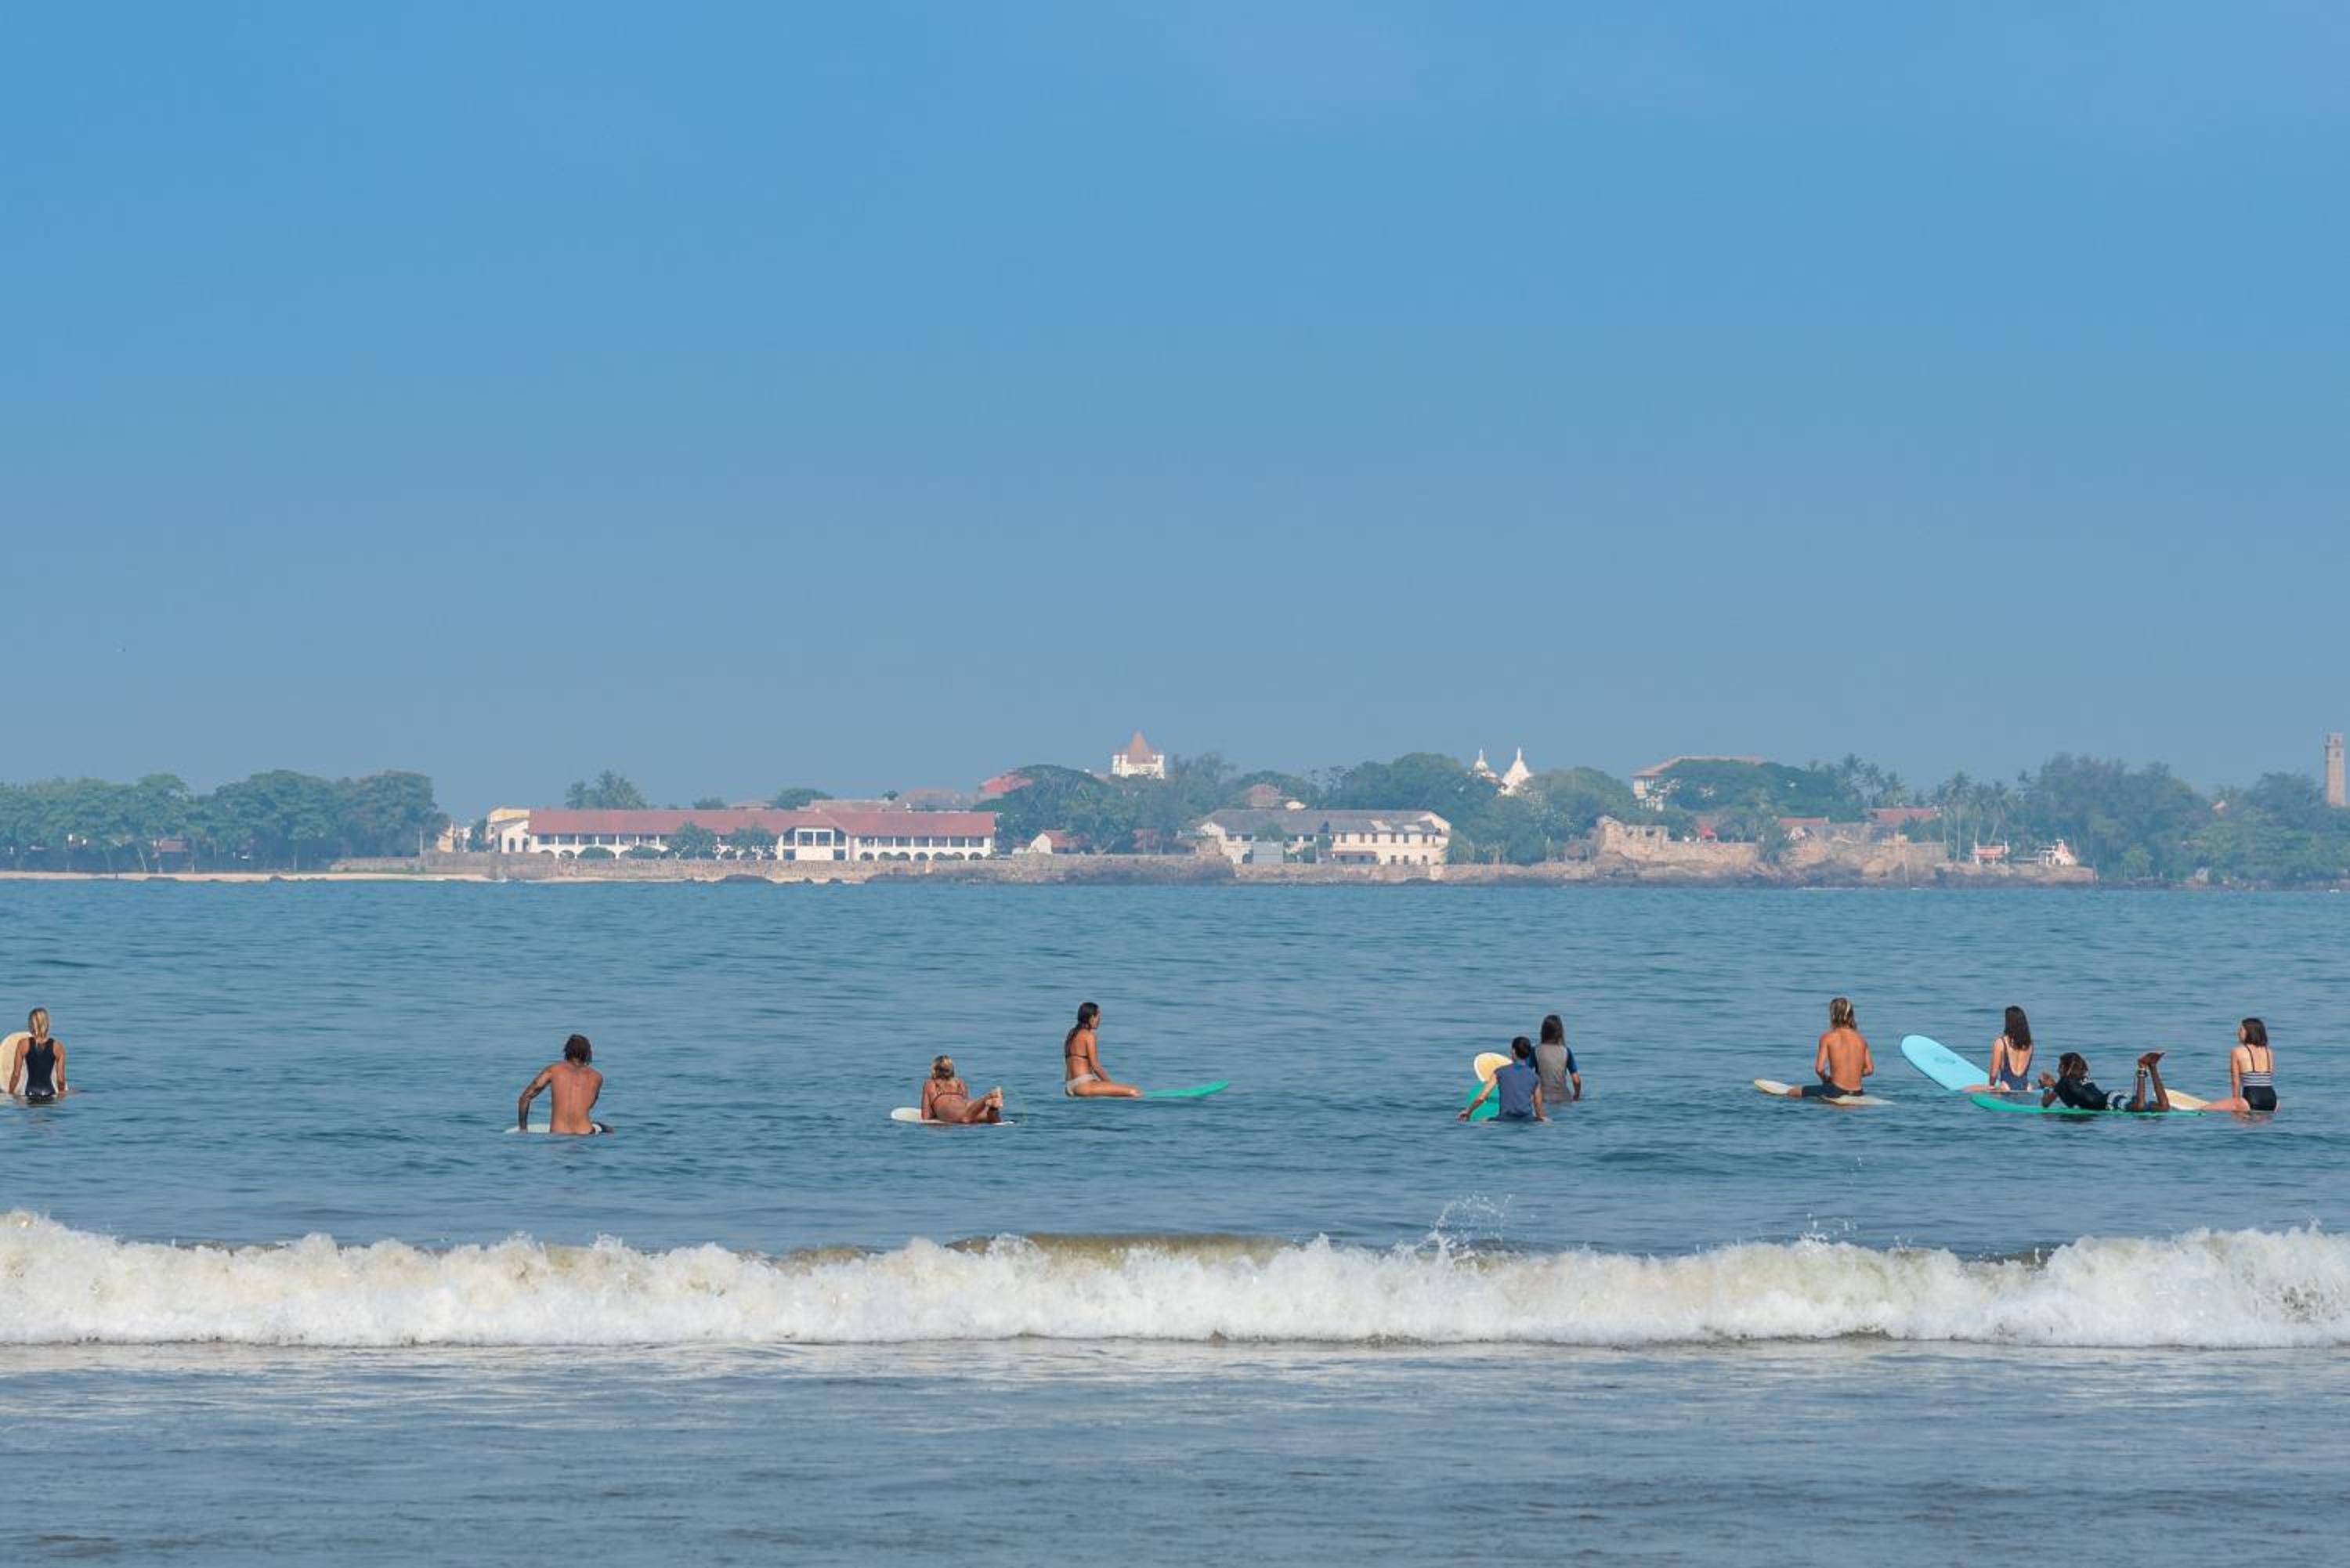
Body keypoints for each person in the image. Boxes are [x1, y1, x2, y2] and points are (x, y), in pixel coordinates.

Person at [1764, 996, 1874, 1100]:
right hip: (1858, 1092)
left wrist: (1826, 1079)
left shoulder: (1828, 1037)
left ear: (1833, 1015)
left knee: (1792, 1092)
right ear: (1851, 1015)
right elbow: (1870, 1070)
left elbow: (1819, 1069)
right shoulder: (1861, 1039)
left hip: (1836, 1091)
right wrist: (1852, 1075)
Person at [517, 1033, 610, 1134]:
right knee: (608, 1129)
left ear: (566, 1051)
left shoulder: (553, 1071)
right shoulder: (597, 1077)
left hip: (558, 1135)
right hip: (586, 1134)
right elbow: (590, 1105)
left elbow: (524, 1098)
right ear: (588, 1053)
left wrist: (523, 1129)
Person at [2039, 1050, 2171, 1113]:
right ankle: (2153, 1066)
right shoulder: (2082, 1077)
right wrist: (2054, 1085)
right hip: (2115, 1097)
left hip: (2110, 1103)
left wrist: (2046, 1088)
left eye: (2060, 1065)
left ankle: (2142, 1066)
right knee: (2164, 1107)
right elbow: (2074, 1091)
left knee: (2140, 1107)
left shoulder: (2064, 1081)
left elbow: (2045, 1104)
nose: (2057, 1069)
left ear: (2065, 1068)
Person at [2196, 1018, 2278, 1115]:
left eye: (2241, 1030)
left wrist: (2236, 1104)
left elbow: (2236, 1082)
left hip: (2250, 1100)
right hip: (2273, 1101)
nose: (2238, 1033)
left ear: (2250, 1032)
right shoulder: (2269, 1052)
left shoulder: (2237, 1051)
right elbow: (2269, 1077)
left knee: (2201, 1110)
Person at [1063, 1002, 1141, 1098]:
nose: (1100, 1020)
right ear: (1092, 1018)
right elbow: (1095, 1066)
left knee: (1125, 1090)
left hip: (1069, 1086)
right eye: (1098, 1017)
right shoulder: (1089, 1036)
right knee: (1134, 1091)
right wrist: (1110, 1085)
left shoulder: (1071, 1034)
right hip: (1083, 1084)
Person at [1459, 1036, 1546, 1122]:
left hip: (1505, 1119)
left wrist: (1468, 1112)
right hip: (1527, 1120)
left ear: (1513, 1051)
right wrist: (1540, 1118)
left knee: (1484, 1120)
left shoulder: (1500, 1072)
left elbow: (1481, 1098)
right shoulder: (1535, 1077)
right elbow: (1538, 1106)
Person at [5, 1009, 67, 1104]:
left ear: (31, 1024)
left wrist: (10, 1093)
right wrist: (61, 1096)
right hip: (49, 1093)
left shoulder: (23, 1044)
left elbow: (16, 1075)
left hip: (30, 1093)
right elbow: (61, 1079)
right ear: (47, 1024)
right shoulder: (58, 1046)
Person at [920, 1055, 1005, 1124]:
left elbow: (926, 1116)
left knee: (965, 1119)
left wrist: (937, 1113)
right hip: (969, 1105)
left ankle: (988, 1097)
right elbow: (965, 1102)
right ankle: (992, 1108)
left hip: (950, 1108)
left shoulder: (930, 1083)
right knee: (993, 1121)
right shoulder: (959, 1082)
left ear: (935, 1070)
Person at [1982, 1006, 2036, 1092]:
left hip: (2006, 1087)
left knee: (1968, 1089)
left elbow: (1993, 1074)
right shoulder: (2030, 1044)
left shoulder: (2000, 1043)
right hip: (2026, 1088)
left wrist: (1991, 1088)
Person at [1533, 1013, 1581, 1106]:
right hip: (1564, 1098)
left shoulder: (1535, 1051)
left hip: (1542, 1098)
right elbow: (1576, 1080)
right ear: (1560, 1032)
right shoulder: (1566, 1051)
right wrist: (1576, 1096)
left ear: (1543, 1031)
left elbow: (1524, 1072)